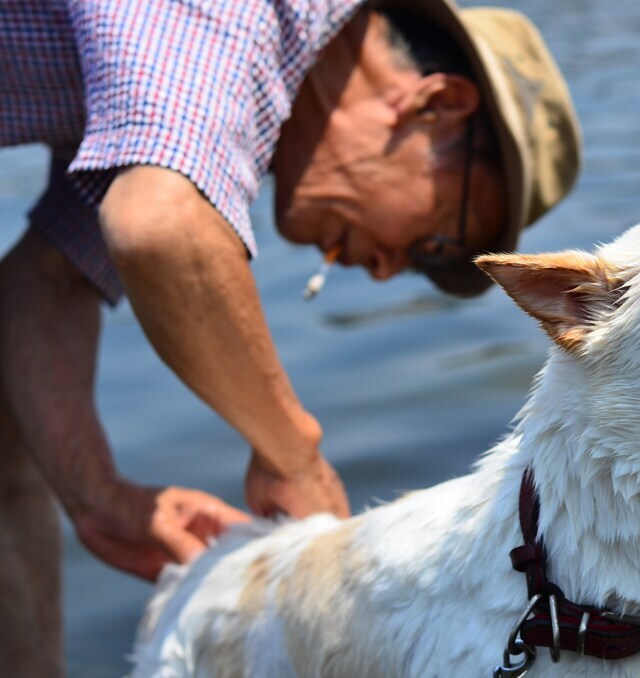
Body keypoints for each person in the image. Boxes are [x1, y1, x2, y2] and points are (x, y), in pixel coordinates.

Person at [0, 0, 581, 673]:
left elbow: (48, 279)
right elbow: (159, 225)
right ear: (435, 105)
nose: (390, 269)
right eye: (436, 241)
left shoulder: (179, 79)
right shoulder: (249, 14)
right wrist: (291, 455)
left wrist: (94, 493)